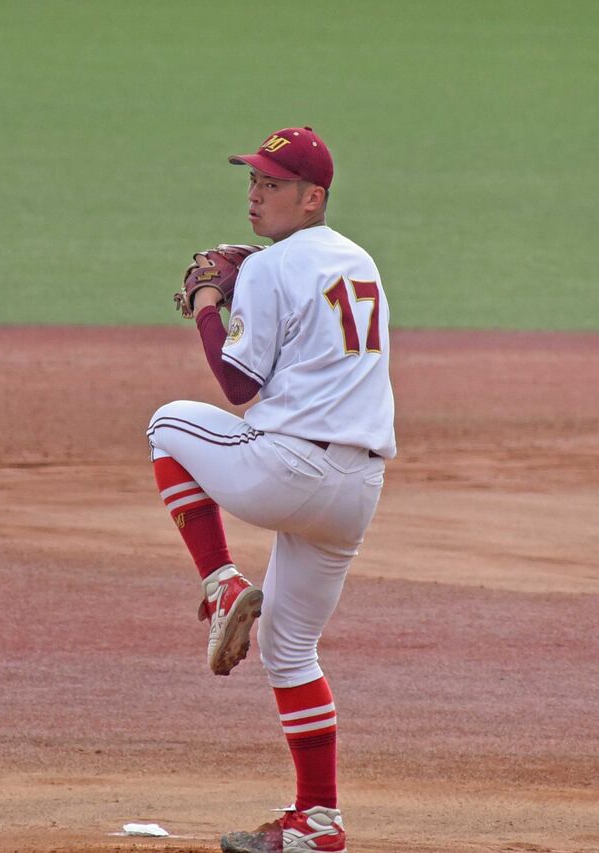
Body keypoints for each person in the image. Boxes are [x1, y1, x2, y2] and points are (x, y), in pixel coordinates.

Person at [146, 126, 395, 853]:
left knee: (167, 425)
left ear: (312, 198)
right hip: (357, 488)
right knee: (290, 649)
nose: (255, 195)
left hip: (290, 472)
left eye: (273, 184)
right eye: (253, 180)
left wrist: (206, 304)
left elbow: (237, 385)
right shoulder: (360, 261)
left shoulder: (269, 269)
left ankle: (222, 581)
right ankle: (318, 820)